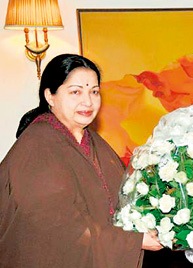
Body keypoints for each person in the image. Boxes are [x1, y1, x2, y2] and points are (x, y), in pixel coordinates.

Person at [0, 54, 162, 268]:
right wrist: (134, 241)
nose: (88, 101)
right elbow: (55, 226)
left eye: (94, 91)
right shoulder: (38, 145)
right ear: (50, 96)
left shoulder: (92, 140)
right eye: (75, 92)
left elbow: (121, 197)